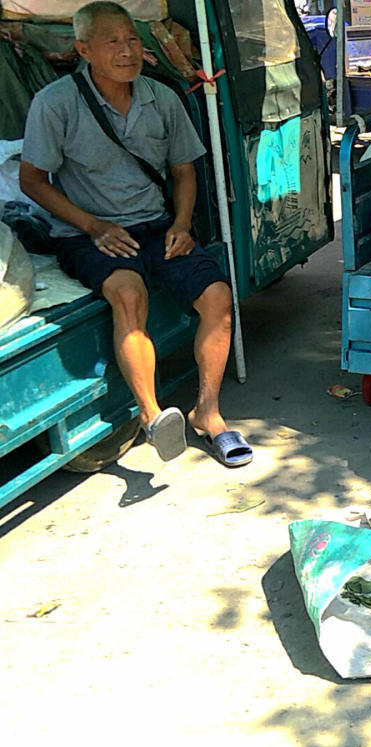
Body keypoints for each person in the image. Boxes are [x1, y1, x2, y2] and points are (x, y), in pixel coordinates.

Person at [19, 1, 252, 467]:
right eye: (113, 41)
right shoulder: (56, 103)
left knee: (218, 297)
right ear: (83, 49)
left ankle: (209, 414)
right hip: (87, 233)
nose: (127, 50)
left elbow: (184, 172)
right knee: (128, 293)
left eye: (132, 39)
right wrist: (94, 226)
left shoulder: (161, 97)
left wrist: (182, 225)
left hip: (157, 225)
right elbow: (32, 181)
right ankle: (153, 417)